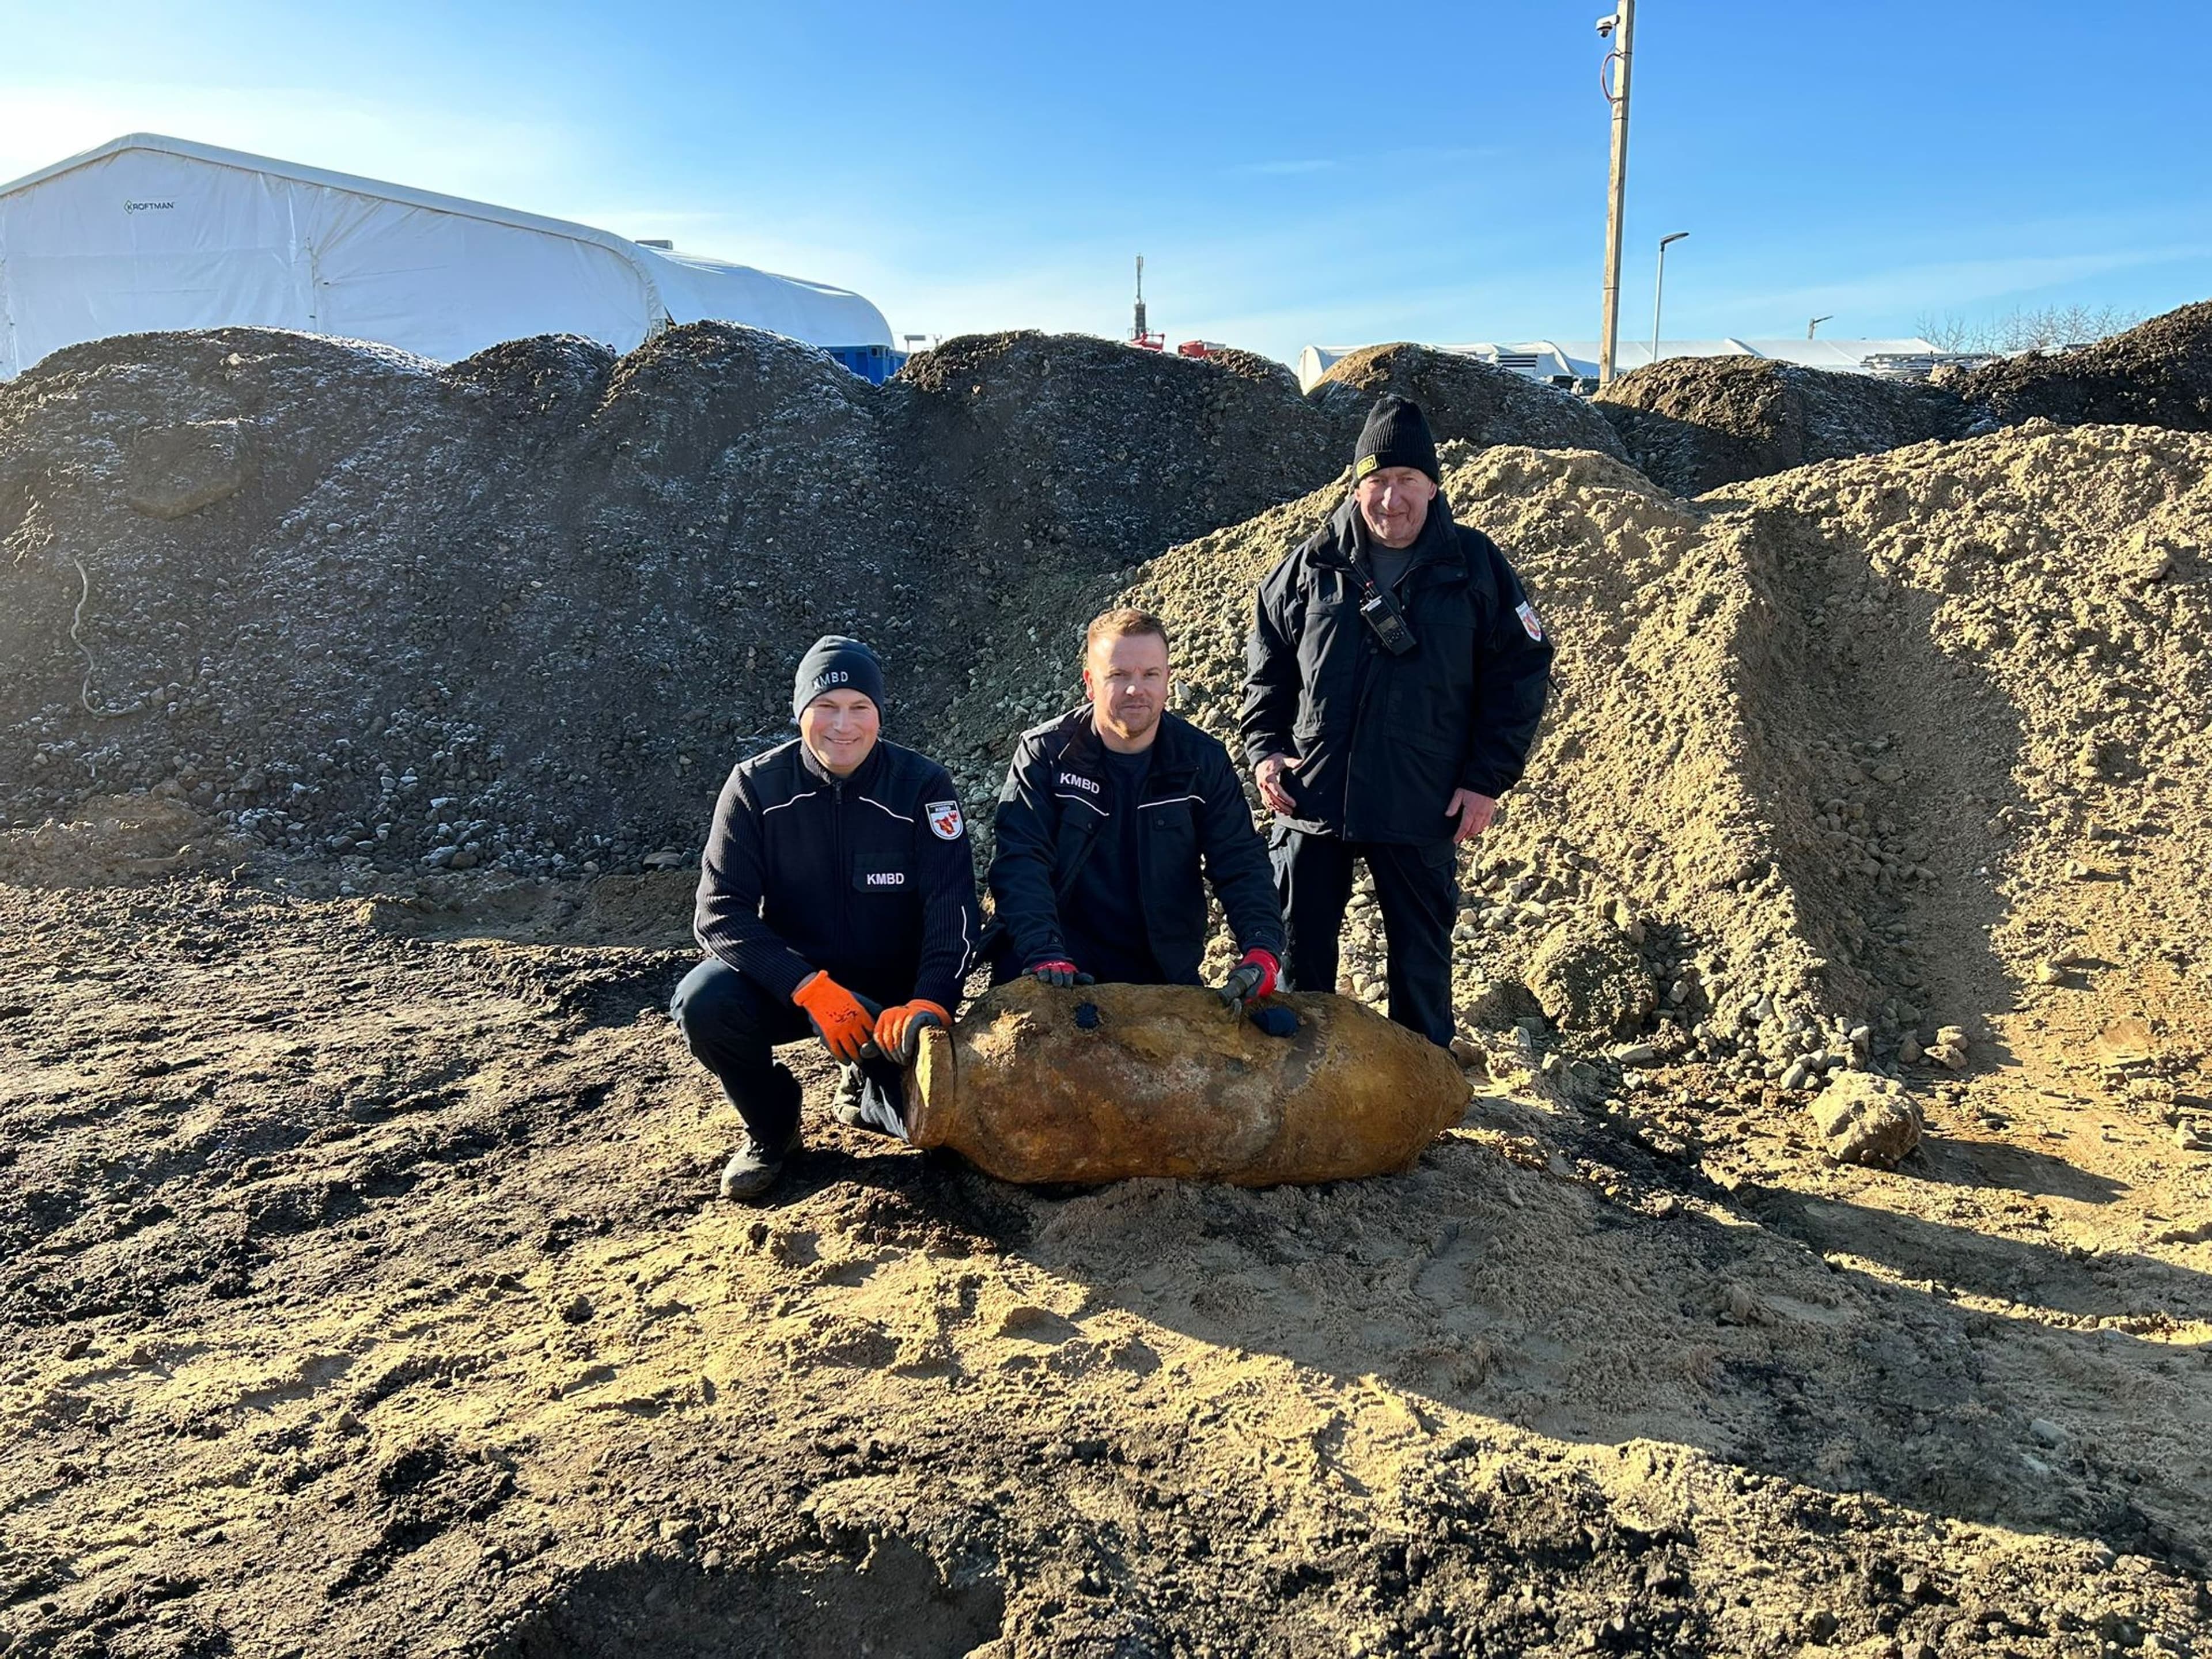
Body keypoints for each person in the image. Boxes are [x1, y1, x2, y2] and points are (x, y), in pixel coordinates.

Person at [1241, 395, 1552, 1047]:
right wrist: (1267, 750)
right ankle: (1300, 1094)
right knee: (1299, 966)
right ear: (1356, 489)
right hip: (1314, 799)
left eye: (1407, 480)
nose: (1391, 499)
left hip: (1422, 799)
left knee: (1421, 967)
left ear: (1433, 486)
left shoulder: (1476, 567)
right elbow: (1267, 670)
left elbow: (1519, 677)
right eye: (1376, 482)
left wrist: (1485, 779)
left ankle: (1423, 1102)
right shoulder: (1310, 565)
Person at [671, 636, 980, 1202]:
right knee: (704, 1002)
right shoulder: (755, 788)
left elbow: (954, 908)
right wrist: (807, 987)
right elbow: (719, 914)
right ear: (800, 713)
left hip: (891, 1003)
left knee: (931, 1136)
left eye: (860, 708)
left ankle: (866, 1079)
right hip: (799, 988)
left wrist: (932, 1000)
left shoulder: (923, 787)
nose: (844, 725)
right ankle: (773, 1128)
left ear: (879, 715)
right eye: (826, 707)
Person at [988, 607, 1285, 1007]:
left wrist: (1262, 947)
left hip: (1159, 967)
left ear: (1167, 680)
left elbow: (1240, 861)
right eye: (1119, 675)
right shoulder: (1046, 755)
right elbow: (1021, 861)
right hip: (1056, 965)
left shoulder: (1202, 761)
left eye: (1150, 674)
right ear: (1090, 683)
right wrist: (1045, 952)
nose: (1136, 689)